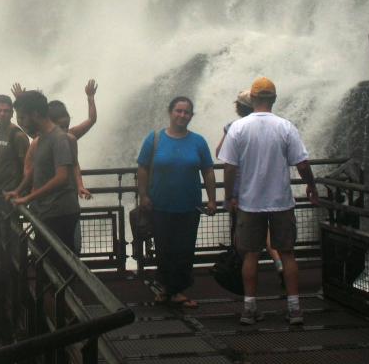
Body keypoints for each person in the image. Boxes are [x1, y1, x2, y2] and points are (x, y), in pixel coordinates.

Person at [218, 77, 320, 325]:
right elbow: (302, 164)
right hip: (281, 202)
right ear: (274, 98)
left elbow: (229, 167)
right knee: (287, 253)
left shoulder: (238, 128)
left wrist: (230, 196)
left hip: (249, 203)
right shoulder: (286, 127)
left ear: (252, 98)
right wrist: (311, 186)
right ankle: (294, 309)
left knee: (251, 254)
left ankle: (249, 309)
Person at [137, 96, 216, 308]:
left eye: (186, 112)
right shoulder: (154, 139)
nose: (182, 115)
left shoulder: (198, 141)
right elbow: (142, 168)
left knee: (184, 250)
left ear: (191, 116)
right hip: (159, 206)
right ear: (170, 112)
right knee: (164, 249)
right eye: (178, 111)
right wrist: (143, 195)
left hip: (189, 206)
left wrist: (212, 200)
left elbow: (208, 171)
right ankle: (167, 289)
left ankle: (177, 290)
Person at [216, 89, 285, 283]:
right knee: (268, 230)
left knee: (245, 237)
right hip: (267, 187)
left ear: (238, 108)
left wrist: (230, 196)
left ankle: (243, 278)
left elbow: (220, 153)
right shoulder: (273, 125)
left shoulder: (233, 127)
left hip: (241, 190)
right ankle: (279, 261)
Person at [4, 90, 80, 254]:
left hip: (60, 213)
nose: (22, 123)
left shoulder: (59, 138)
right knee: (43, 260)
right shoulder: (43, 137)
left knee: (58, 262)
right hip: (46, 211)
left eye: (23, 117)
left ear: (35, 114)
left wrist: (29, 197)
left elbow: (62, 177)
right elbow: (36, 167)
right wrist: (18, 190)